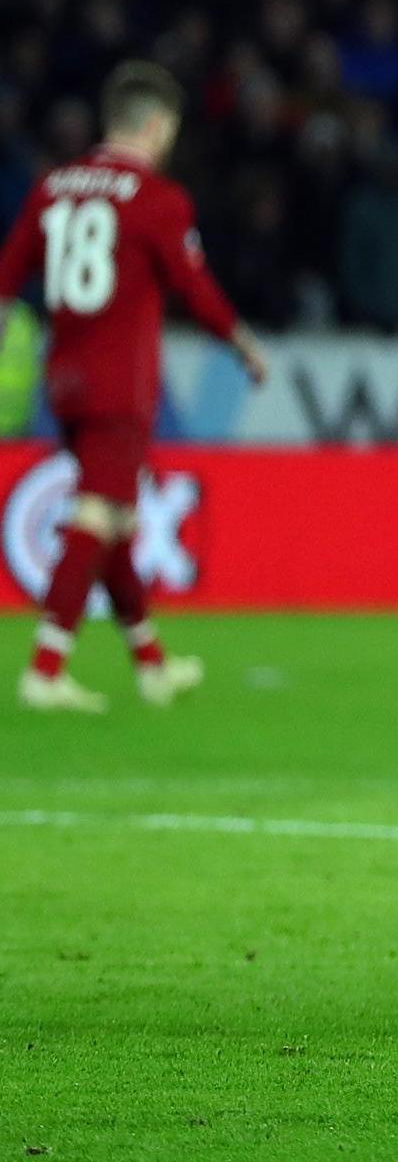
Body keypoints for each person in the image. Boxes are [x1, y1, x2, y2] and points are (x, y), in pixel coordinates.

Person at [1, 61, 268, 712]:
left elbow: (8, 274)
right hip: (120, 382)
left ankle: (152, 663)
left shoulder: (53, 185)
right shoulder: (156, 198)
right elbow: (194, 287)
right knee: (100, 512)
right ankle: (46, 666)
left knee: (116, 517)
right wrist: (241, 342)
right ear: (155, 125)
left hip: (61, 376)